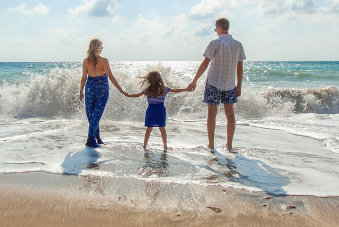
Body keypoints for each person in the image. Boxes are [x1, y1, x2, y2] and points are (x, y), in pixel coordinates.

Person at [188, 18, 246, 152]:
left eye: (215, 29)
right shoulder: (238, 45)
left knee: (211, 114)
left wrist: (194, 80)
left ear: (218, 28)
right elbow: (240, 68)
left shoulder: (215, 43)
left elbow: (205, 64)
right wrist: (239, 86)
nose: (216, 32)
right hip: (230, 84)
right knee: (230, 114)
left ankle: (211, 145)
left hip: (213, 83)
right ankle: (229, 146)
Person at [80, 38, 127, 148]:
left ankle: (97, 138)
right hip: (101, 88)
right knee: (95, 115)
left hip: (90, 87)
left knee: (93, 115)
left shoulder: (86, 61)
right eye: (102, 47)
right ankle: (90, 140)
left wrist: (81, 91)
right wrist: (121, 90)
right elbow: (110, 76)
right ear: (99, 48)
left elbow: (83, 78)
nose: (102, 49)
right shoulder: (103, 61)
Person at [126, 70, 189, 151]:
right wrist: (186, 89)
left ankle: (144, 146)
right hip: (160, 110)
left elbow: (137, 95)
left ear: (149, 79)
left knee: (149, 129)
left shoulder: (147, 89)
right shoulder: (164, 88)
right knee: (162, 129)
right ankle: (165, 146)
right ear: (160, 79)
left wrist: (128, 95)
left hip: (151, 110)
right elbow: (175, 90)